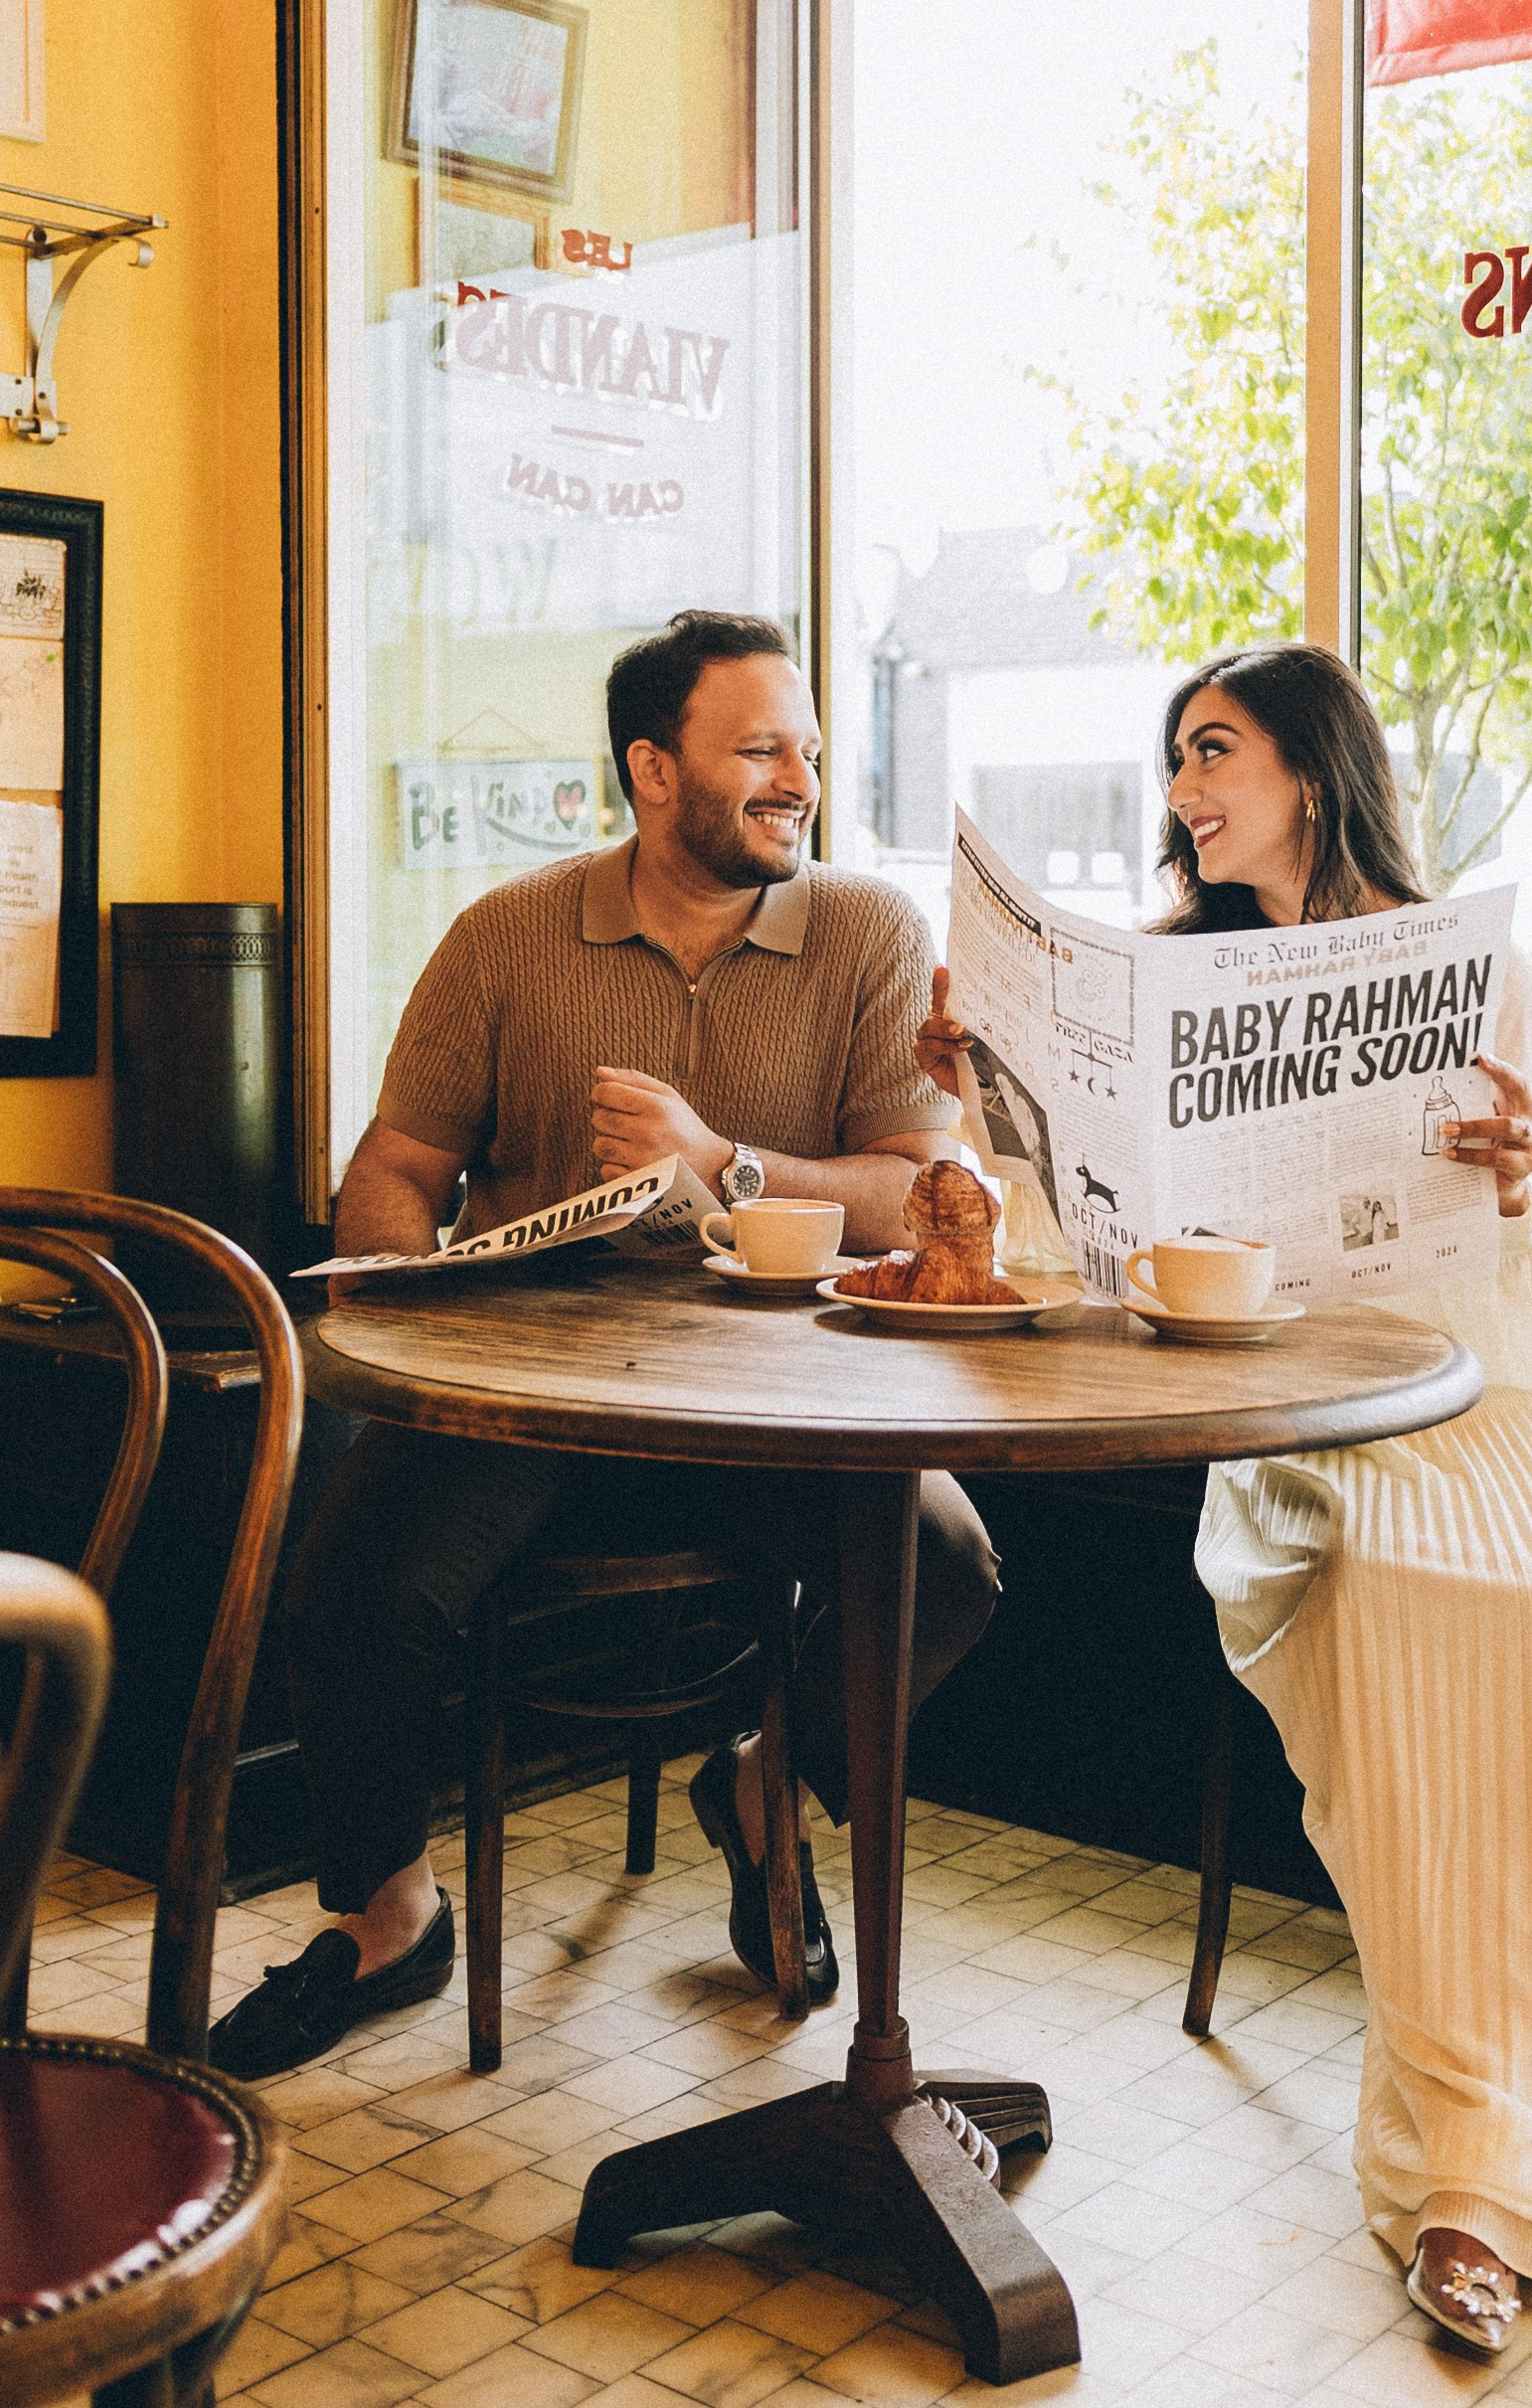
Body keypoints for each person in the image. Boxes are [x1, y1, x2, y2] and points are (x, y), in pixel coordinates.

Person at [918, 643, 1532, 2358]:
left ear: (1313, 777)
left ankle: (1488, 2169)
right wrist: (995, 1101)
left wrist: (1511, 1192)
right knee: (1420, 1613)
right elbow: (1080, 1270)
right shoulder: (1161, 984)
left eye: (1213, 753)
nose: (1181, 791)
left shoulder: (1473, 978)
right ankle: (1476, 2181)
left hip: (1520, 1409)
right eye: (1176, 759)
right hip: (1316, 1427)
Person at [210, 611, 998, 2081]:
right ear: (653, 768)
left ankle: (767, 1797)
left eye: (808, 752)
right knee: (350, 1589)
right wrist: (399, 1272)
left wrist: (723, 1162)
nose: (798, 782)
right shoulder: (507, 937)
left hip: (785, 1386)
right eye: (760, 750)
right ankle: (389, 1920)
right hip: (533, 1390)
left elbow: (910, 1186)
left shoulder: (873, 934)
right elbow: (397, 1162)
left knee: (949, 1566)